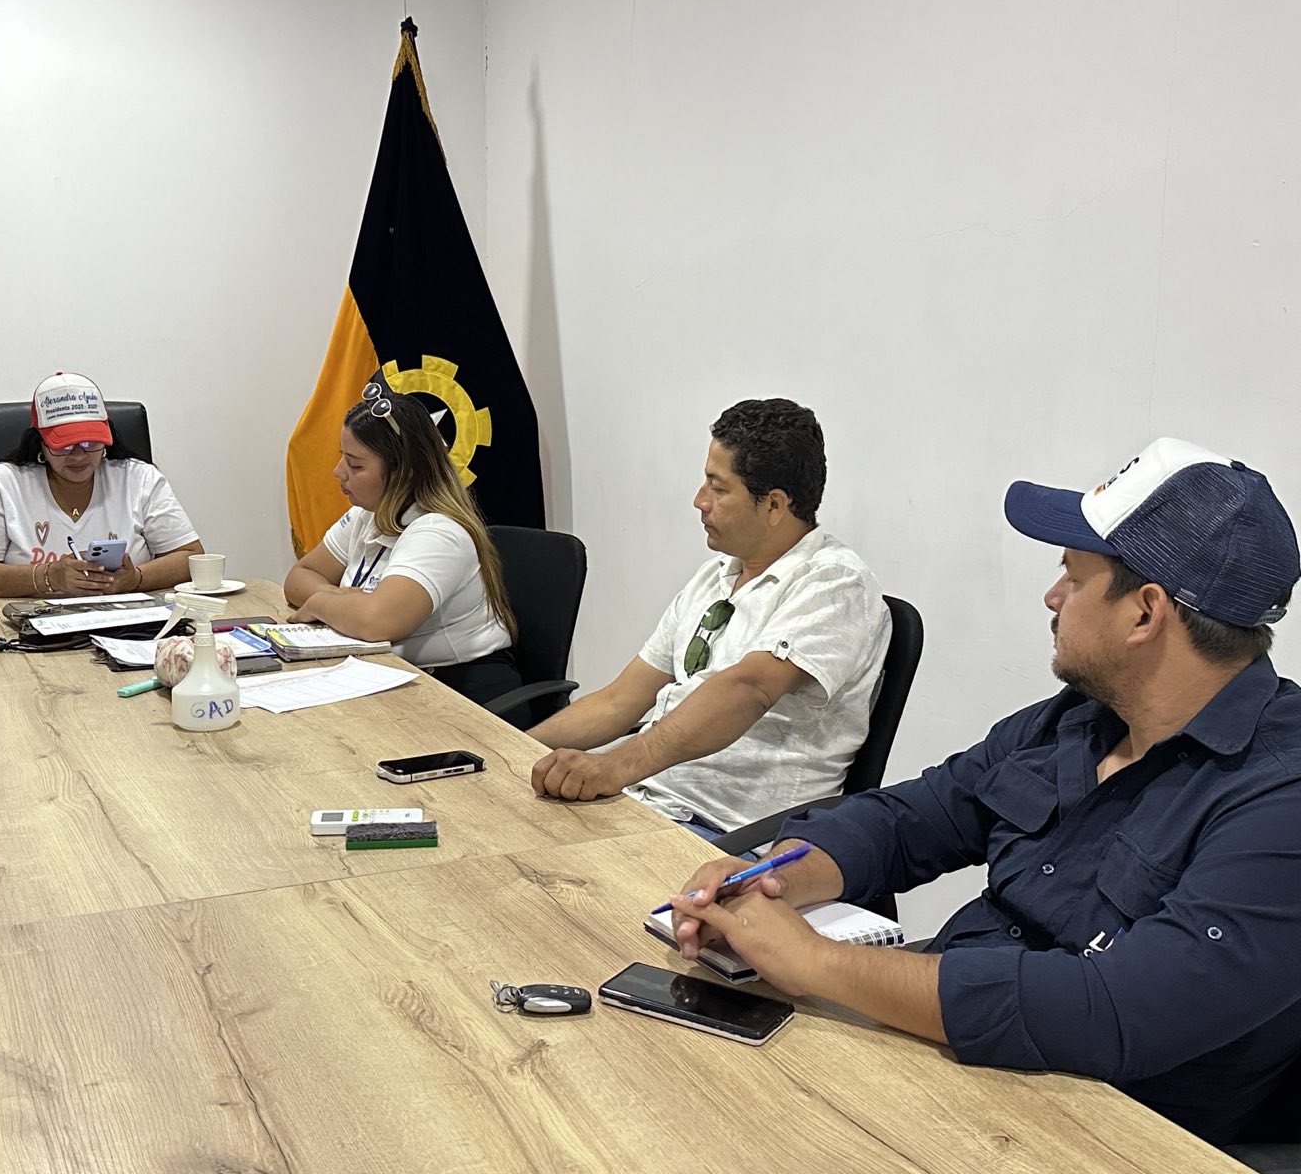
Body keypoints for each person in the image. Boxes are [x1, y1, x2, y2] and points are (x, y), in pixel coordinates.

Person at [668, 438, 1301, 1145]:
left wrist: (817, 961)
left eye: (1071, 577)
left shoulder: (1279, 798)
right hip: (941, 1066)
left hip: (1085, 1130)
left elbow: (1116, 1010)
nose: (1051, 598)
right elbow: (915, 817)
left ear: (1145, 614)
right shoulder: (1079, 719)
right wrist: (776, 878)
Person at [529, 399, 890, 841]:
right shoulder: (716, 576)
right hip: (650, 799)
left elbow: (747, 689)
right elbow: (618, 702)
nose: (699, 501)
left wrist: (614, 766)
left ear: (774, 505)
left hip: (727, 829)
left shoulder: (836, 582)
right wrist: (513, 746)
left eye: (718, 489)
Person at [283, 376, 521, 708]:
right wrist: (343, 598)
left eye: (355, 464)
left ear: (402, 473)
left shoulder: (438, 533)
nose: (338, 472)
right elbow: (299, 578)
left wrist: (322, 603)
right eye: (342, 457)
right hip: (393, 677)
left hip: (462, 694)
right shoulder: (366, 515)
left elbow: (377, 622)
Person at [0, 372, 204, 596]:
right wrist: (47, 577)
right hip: (30, 623)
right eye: (63, 445)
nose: (78, 455)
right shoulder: (1, 484)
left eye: (90, 443)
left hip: (128, 620)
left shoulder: (139, 478)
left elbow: (191, 556)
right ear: (40, 443)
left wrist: (135, 579)